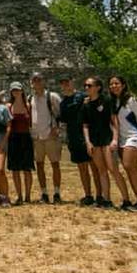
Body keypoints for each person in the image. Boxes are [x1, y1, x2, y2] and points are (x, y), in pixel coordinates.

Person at [81, 77, 132, 210]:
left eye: (89, 85)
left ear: (98, 87)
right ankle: (106, 200)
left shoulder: (107, 100)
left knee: (113, 169)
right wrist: (88, 142)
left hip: (107, 138)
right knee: (101, 171)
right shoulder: (86, 104)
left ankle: (126, 200)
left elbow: (114, 121)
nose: (86, 88)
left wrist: (115, 139)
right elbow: (85, 125)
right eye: (85, 86)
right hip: (95, 141)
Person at [58, 74, 103, 206]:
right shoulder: (63, 103)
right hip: (74, 137)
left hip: (87, 135)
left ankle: (99, 194)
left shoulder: (84, 97)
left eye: (67, 82)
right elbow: (64, 120)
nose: (65, 85)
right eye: (63, 83)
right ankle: (88, 194)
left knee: (94, 167)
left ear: (72, 83)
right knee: (82, 167)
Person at [109, 76, 137, 211]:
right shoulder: (114, 102)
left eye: (116, 83)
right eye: (111, 84)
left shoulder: (133, 100)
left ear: (123, 85)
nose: (114, 86)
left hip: (134, 136)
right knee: (129, 169)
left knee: (129, 166)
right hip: (122, 138)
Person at [28, 73, 62, 204]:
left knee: (55, 164)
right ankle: (44, 193)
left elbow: (61, 114)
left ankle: (57, 193)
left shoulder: (52, 97)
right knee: (39, 165)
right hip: (36, 136)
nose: (36, 82)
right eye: (34, 80)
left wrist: (57, 129)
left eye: (39, 80)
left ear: (44, 81)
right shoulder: (30, 98)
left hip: (50, 135)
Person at [7, 82, 34, 205]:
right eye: (13, 91)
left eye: (17, 90)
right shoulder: (9, 106)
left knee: (27, 169)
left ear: (22, 91)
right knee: (15, 169)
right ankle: (19, 196)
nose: (16, 92)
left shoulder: (28, 106)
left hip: (26, 138)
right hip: (13, 139)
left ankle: (28, 196)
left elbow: (32, 123)